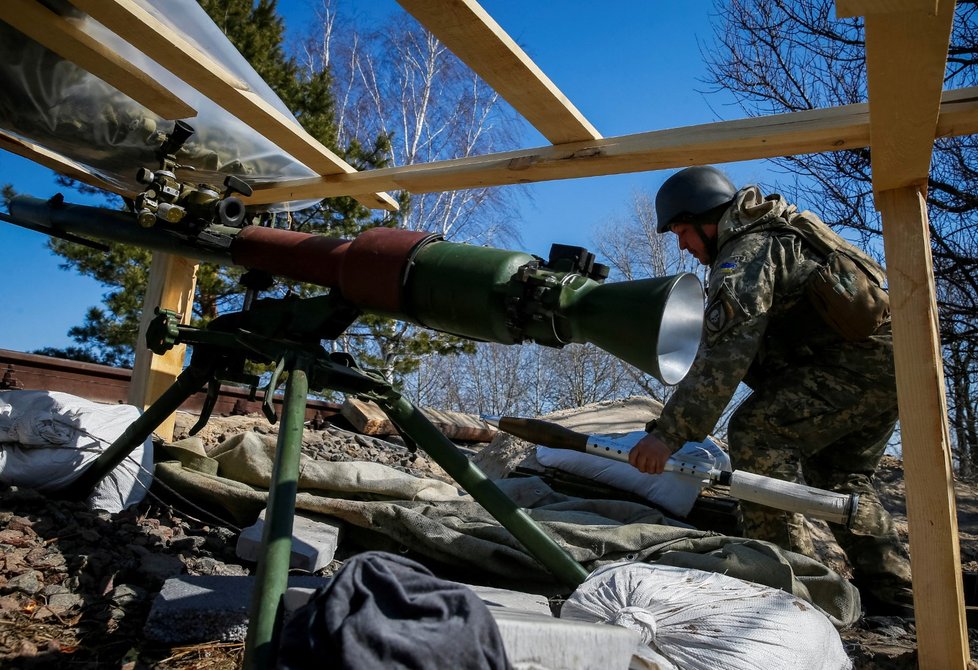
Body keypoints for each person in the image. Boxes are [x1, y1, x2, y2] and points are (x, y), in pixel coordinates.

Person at [629, 165, 914, 617]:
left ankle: (784, 583)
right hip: (894, 365)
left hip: (854, 368)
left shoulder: (744, 254)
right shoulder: (779, 233)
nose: (682, 245)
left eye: (683, 231)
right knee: (841, 479)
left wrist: (667, 435)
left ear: (708, 219)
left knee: (757, 430)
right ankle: (899, 601)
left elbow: (726, 353)